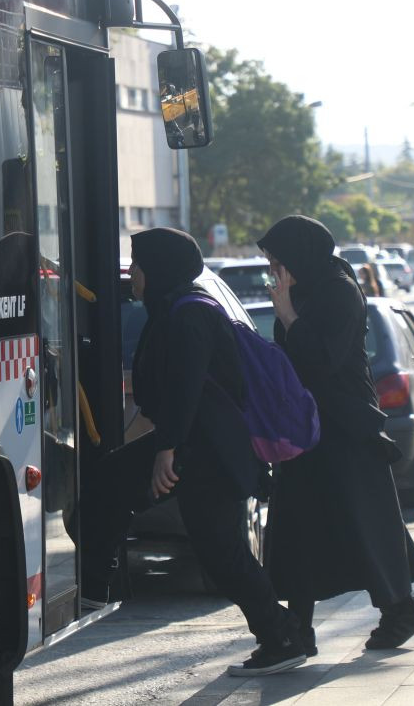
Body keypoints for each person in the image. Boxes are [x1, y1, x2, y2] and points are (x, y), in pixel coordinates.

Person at [75, 227, 307, 676]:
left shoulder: (189, 315)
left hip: (209, 454)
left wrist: (166, 450)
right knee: (108, 484)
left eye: (139, 265)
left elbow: (186, 393)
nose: (135, 275)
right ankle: (96, 585)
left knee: (222, 553)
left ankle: (281, 636)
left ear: (159, 268)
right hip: (198, 448)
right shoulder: (174, 309)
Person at [258, 216, 414, 656]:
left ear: (301, 254)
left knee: (366, 523)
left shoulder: (338, 289)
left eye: (278, 261)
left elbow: (321, 359)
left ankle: (400, 609)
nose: (275, 271)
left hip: (347, 427)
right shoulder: (306, 289)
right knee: (300, 527)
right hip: (308, 428)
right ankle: (299, 626)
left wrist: (288, 314)